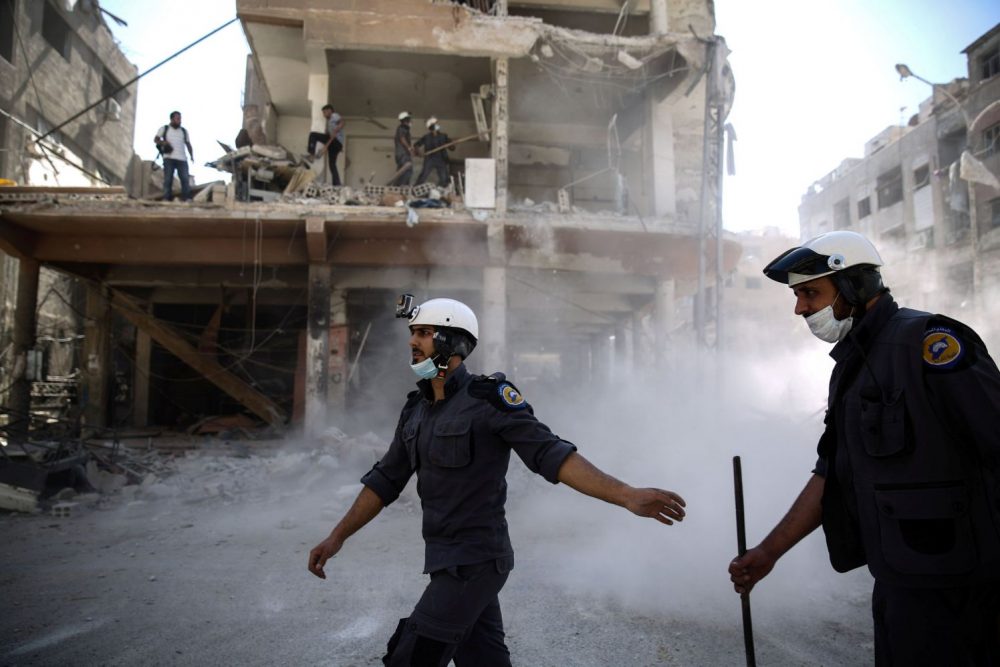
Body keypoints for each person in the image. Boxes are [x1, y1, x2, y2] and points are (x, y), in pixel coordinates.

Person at [309, 295, 687, 666]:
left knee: (411, 657)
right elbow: (386, 480)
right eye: (413, 332)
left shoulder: (489, 399)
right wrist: (337, 536)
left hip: (476, 563)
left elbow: (550, 454)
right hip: (445, 560)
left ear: (451, 342)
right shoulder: (415, 410)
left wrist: (626, 495)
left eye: (423, 333)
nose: (412, 341)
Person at [727, 230, 1000, 666]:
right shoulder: (851, 368)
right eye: (798, 296)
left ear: (856, 285)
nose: (800, 309)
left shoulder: (929, 343)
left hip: (963, 587)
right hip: (899, 579)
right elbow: (832, 472)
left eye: (810, 293)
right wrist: (767, 553)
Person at [154, 111, 194, 201]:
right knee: (168, 179)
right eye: (177, 118)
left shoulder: (183, 131)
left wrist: (192, 155)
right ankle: (166, 198)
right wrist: (164, 142)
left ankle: (186, 198)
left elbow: (188, 144)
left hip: (182, 158)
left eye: (180, 119)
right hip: (169, 158)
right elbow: (156, 139)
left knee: (184, 179)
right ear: (172, 119)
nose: (179, 121)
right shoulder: (164, 129)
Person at [414, 117, 454, 187]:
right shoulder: (426, 137)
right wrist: (419, 152)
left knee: (444, 177)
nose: (436, 126)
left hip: (441, 159)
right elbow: (416, 145)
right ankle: (415, 188)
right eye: (434, 124)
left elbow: (452, 148)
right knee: (423, 175)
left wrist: (450, 144)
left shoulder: (443, 136)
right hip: (430, 159)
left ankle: (442, 191)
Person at [320, 103, 345, 186]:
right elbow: (330, 133)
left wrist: (339, 126)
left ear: (330, 110)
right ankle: (336, 183)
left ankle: (311, 152)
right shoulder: (329, 121)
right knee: (332, 164)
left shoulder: (334, 115)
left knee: (313, 135)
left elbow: (342, 121)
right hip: (336, 144)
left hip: (336, 142)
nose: (323, 115)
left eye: (324, 112)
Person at [389, 111, 415, 186]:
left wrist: (411, 150)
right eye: (409, 119)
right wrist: (409, 148)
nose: (411, 121)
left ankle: (396, 187)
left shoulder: (403, 129)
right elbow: (402, 138)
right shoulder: (402, 128)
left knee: (400, 172)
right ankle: (402, 186)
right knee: (408, 170)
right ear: (406, 120)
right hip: (403, 154)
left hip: (400, 154)